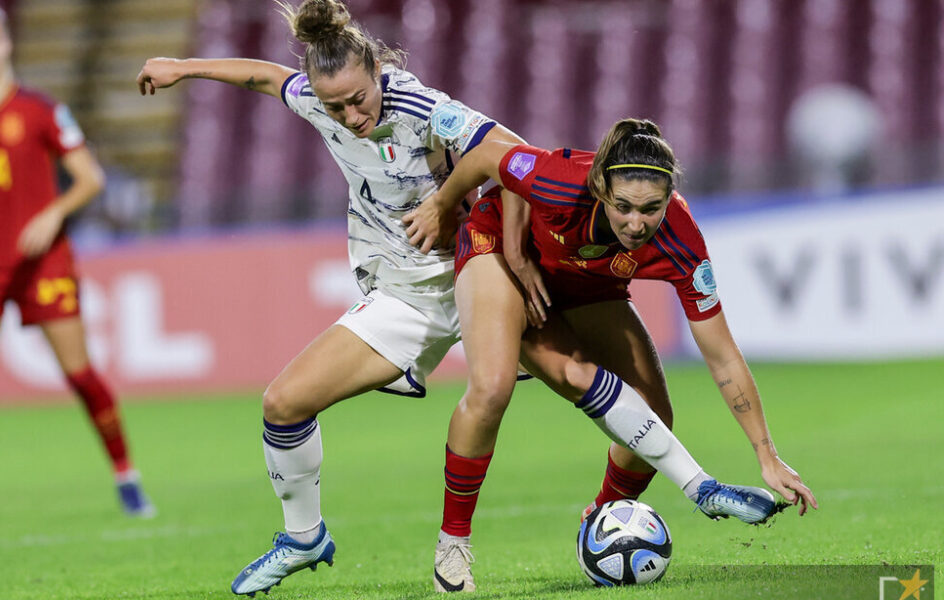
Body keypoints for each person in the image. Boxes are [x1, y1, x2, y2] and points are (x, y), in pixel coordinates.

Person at [136, 0, 533, 595]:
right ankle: (303, 537)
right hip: (404, 297)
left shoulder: (424, 107)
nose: (350, 115)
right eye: (334, 106)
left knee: (588, 382)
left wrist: (450, 200)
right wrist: (182, 66)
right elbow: (267, 76)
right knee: (283, 402)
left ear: (377, 70)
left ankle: (694, 486)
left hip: (481, 278)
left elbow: (516, 153)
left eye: (358, 99)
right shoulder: (318, 104)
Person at [404, 118, 817, 591]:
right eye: (622, 207)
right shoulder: (562, 180)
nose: (636, 223)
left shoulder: (681, 240)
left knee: (654, 415)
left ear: (670, 198)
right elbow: (485, 157)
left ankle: (602, 520)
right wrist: (446, 208)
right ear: (601, 188)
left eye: (651, 209)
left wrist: (767, 456)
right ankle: (452, 543)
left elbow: (722, 356)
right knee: (495, 387)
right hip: (499, 249)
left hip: (586, 282)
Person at [0, 1, 154, 528]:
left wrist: (51, 214)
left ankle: (126, 476)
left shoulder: (39, 110)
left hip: (43, 262)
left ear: (8, 44)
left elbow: (91, 178)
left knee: (79, 373)